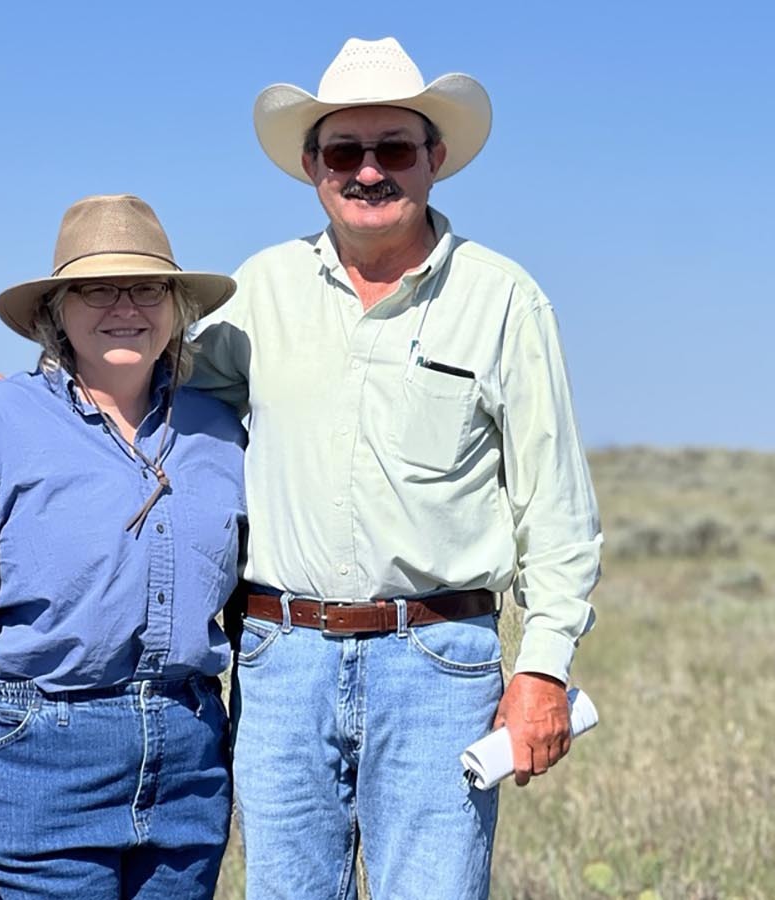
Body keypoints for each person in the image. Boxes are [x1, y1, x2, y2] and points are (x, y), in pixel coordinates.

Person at [193, 37, 604, 898]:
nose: (370, 171)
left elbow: (556, 509)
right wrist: (24, 400)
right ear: (313, 165)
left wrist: (543, 670)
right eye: (346, 151)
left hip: (439, 663)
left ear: (435, 159)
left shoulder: (504, 300)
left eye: (394, 150)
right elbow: (144, 393)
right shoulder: (256, 293)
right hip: (279, 659)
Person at [0, 194, 247, 900]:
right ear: (55, 312)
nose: (125, 305)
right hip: (29, 768)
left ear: (177, 306)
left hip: (188, 769)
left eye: (147, 286)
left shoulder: (221, 431)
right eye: (96, 288)